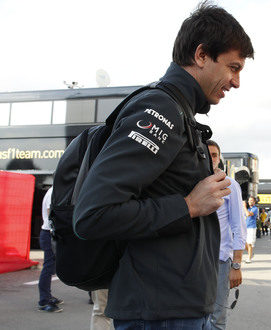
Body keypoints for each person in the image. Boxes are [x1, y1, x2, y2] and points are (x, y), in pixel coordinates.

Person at [73, 3, 254, 329]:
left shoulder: (181, 112)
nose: (236, 81)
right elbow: (93, 214)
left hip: (176, 308)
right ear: (201, 55)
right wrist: (187, 206)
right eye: (233, 67)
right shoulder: (160, 108)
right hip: (159, 313)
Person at [206, 140, 246, 330]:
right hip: (195, 260)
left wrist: (236, 265)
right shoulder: (190, 183)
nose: (211, 158)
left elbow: (238, 225)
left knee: (217, 317)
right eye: (207, 154)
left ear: (219, 158)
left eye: (215, 155)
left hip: (220, 260)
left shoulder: (230, 185)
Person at [37, 186, 63, 313]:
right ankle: (44, 301)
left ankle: (48, 296)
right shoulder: (54, 191)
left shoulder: (54, 190)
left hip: (49, 233)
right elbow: (50, 211)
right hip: (48, 234)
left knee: (52, 266)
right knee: (48, 266)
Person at [242, 196, 258, 263]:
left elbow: (248, 214)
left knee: (249, 243)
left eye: (252, 200)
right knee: (244, 244)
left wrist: (244, 207)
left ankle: (249, 258)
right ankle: (250, 253)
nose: (250, 201)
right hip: (245, 227)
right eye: (249, 200)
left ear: (254, 202)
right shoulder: (247, 208)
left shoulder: (255, 208)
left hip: (251, 228)